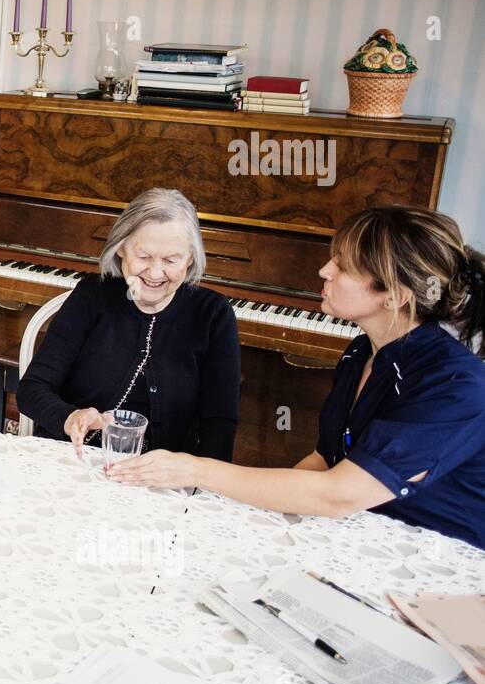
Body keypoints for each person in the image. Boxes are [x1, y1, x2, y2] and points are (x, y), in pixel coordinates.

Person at [108, 205, 485, 551]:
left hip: (440, 559)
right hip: (363, 532)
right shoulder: (361, 352)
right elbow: (324, 460)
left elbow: (338, 494)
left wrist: (194, 469)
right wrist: (248, 519)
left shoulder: (455, 386)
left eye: (344, 266)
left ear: (396, 296)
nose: (324, 271)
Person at [17, 188, 241, 459]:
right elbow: (32, 388)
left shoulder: (213, 315)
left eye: (171, 260)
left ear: (191, 258)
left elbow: (219, 426)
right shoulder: (92, 295)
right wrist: (69, 417)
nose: (155, 273)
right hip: (78, 460)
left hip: (162, 476)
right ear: (121, 247)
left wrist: (199, 484)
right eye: (144, 257)